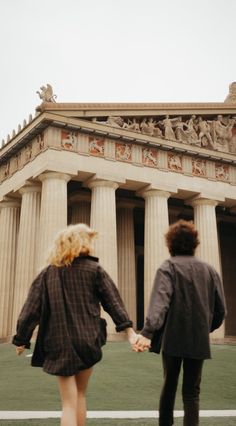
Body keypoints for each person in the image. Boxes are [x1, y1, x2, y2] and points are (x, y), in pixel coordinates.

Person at [12, 223, 137, 426]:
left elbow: (30, 310)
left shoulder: (47, 274)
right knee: (80, 396)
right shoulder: (95, 270)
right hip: (88, 339)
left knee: (68, 404)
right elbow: (114, 303)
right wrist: (129, 331)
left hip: (57, 341)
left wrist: (21, 339)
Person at [134, 219, 226, 426]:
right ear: (195, 243)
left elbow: (160, 302)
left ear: (170, 243)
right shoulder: (210, 270)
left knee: (169, 385)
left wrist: (148, 332)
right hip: (198, 339)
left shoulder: (168, 267)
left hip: (173, 337)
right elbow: (221, 310)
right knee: (192, 392)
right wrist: (205, 327)